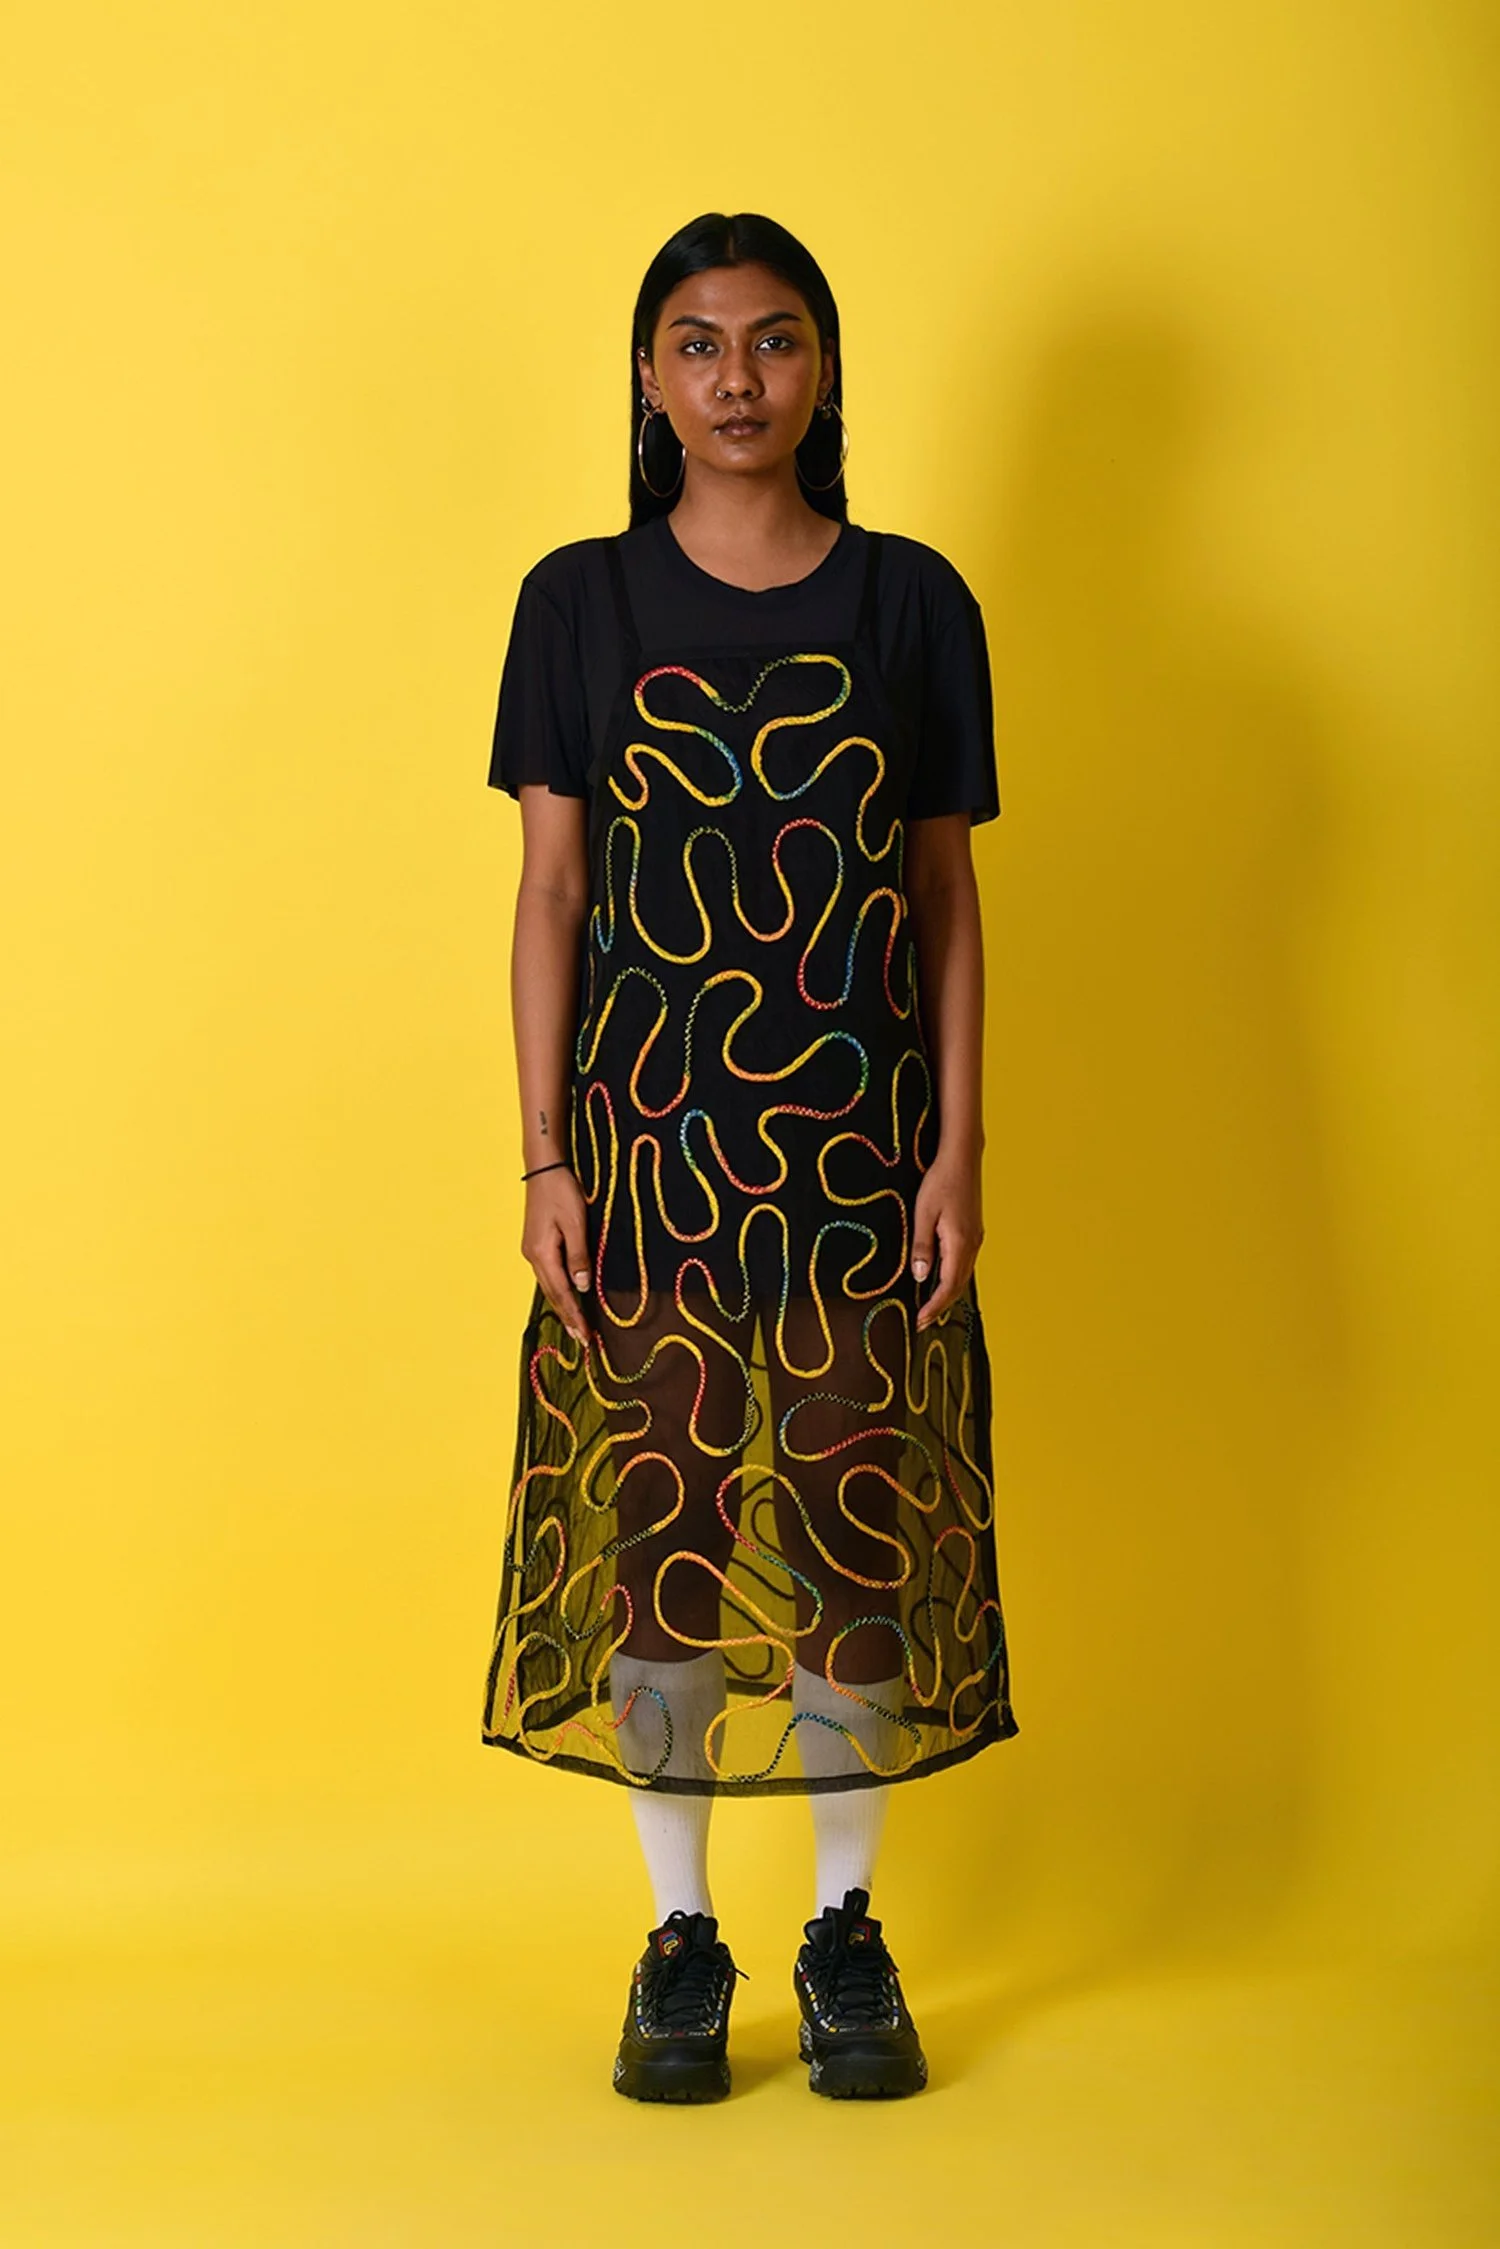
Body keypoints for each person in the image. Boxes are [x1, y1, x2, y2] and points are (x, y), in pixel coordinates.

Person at [483, 211, 1018, 2103]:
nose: (737, 379)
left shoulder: (910, 603)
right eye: (698, 344)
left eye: (774, 341)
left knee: (858, 1531)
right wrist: (546, 1162)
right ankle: (681, 1939)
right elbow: (553, 894)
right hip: (649, 1157)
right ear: (648, 378)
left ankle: (848, 1933)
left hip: (861, 1158)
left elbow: (944, 900)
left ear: (824, 369)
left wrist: (958, 1150)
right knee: (669, 1541)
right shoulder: (579, 605)